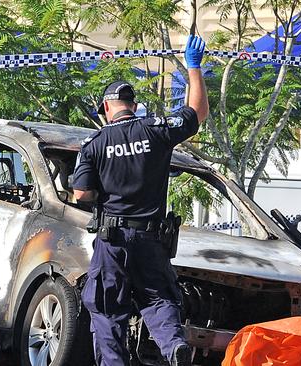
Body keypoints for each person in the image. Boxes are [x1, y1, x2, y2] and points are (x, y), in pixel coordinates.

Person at [73, 34, 209, 366]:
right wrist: (193, 67)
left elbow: (80, 194)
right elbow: (197, 113)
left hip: (113, 241)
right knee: (159, 298)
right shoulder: (156, 130)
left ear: (107, 108)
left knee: (107, 310)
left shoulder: (94, 144)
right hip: (151, 239)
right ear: (133, 105)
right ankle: (173, 344)